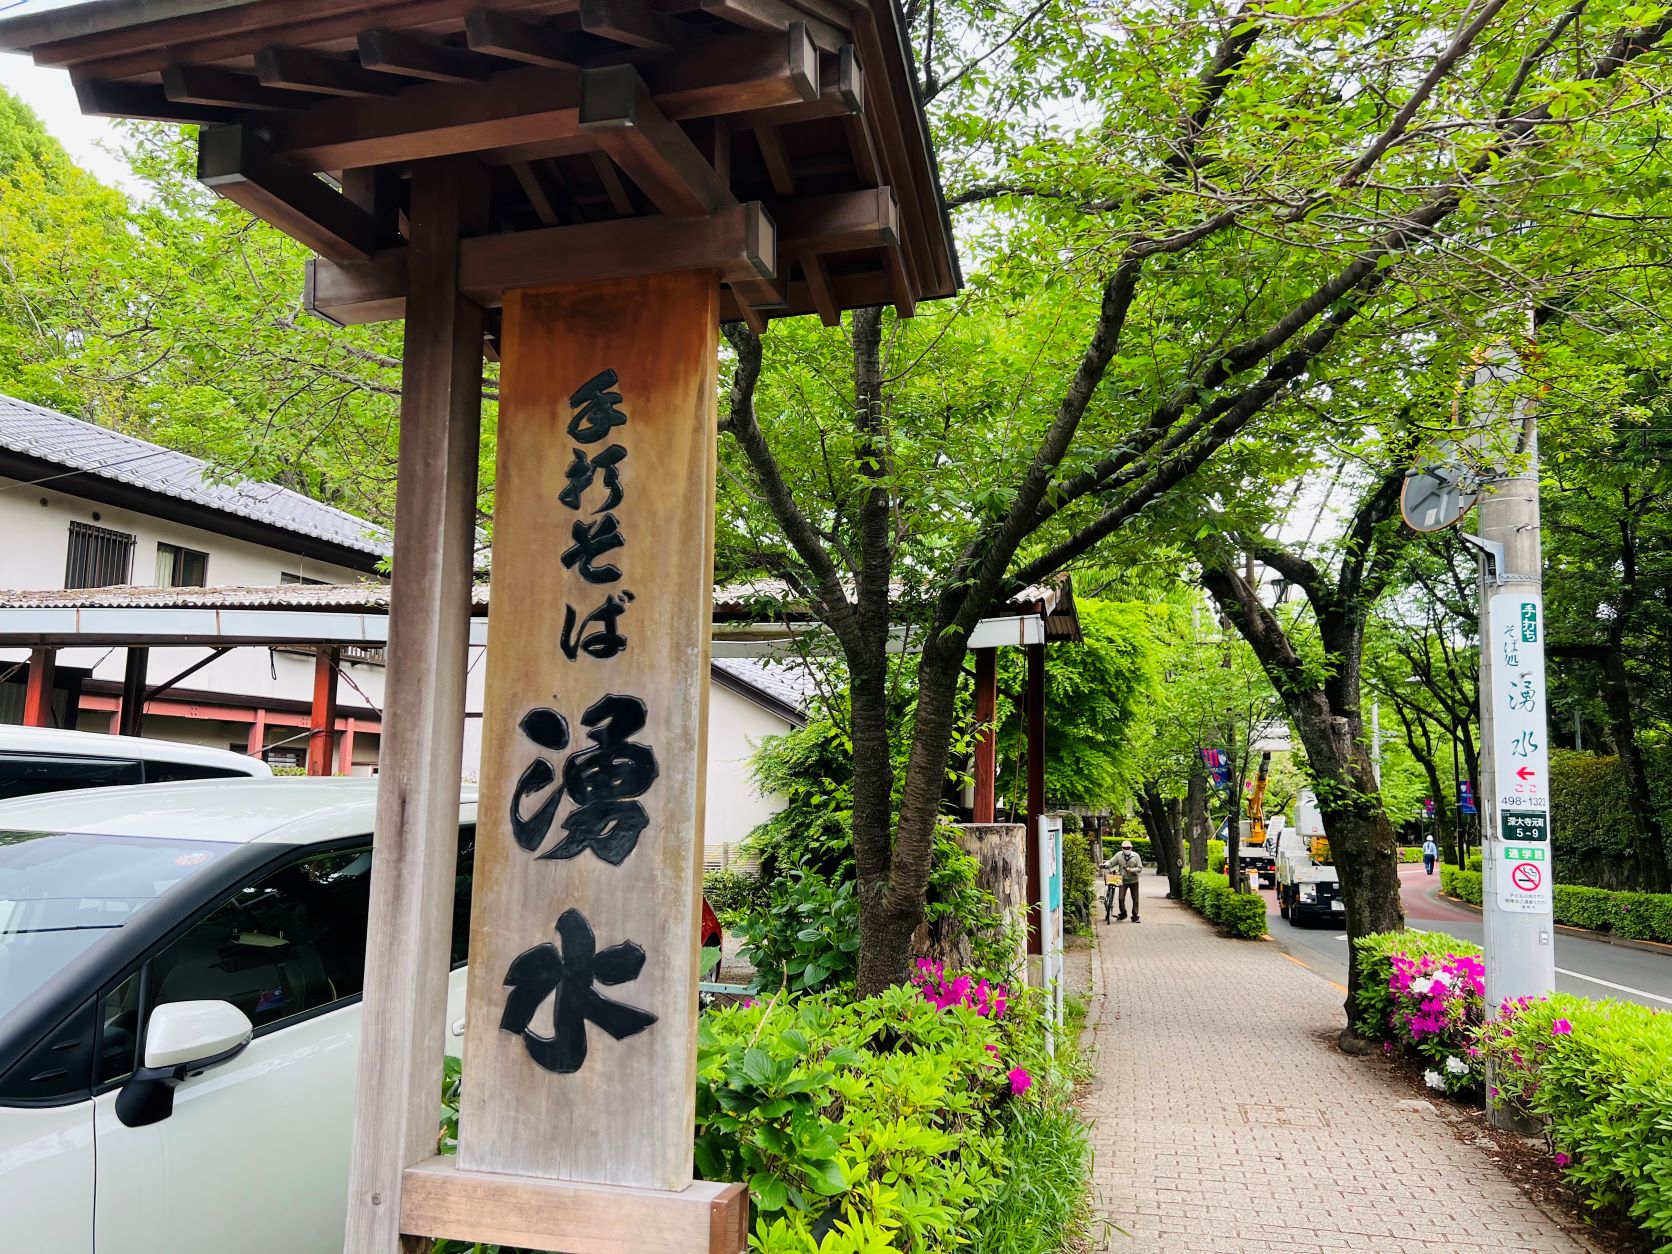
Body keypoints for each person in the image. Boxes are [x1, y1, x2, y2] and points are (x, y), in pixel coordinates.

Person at [1112, 840, 1144, 922]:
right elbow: (1111, 862)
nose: (1126, 849)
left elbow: (1140, 868)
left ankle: (1135, 916)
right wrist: (1105, 865)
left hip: (1134, 880)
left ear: (1131, 848)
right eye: (1125, 847)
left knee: (1135, 899)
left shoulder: (1136, 856)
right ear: (1122, 848)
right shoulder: (1119, 855)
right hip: (1122, 880)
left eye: (1128, 847)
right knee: (1120, 898)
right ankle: (1123, 913)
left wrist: (1132, 870)